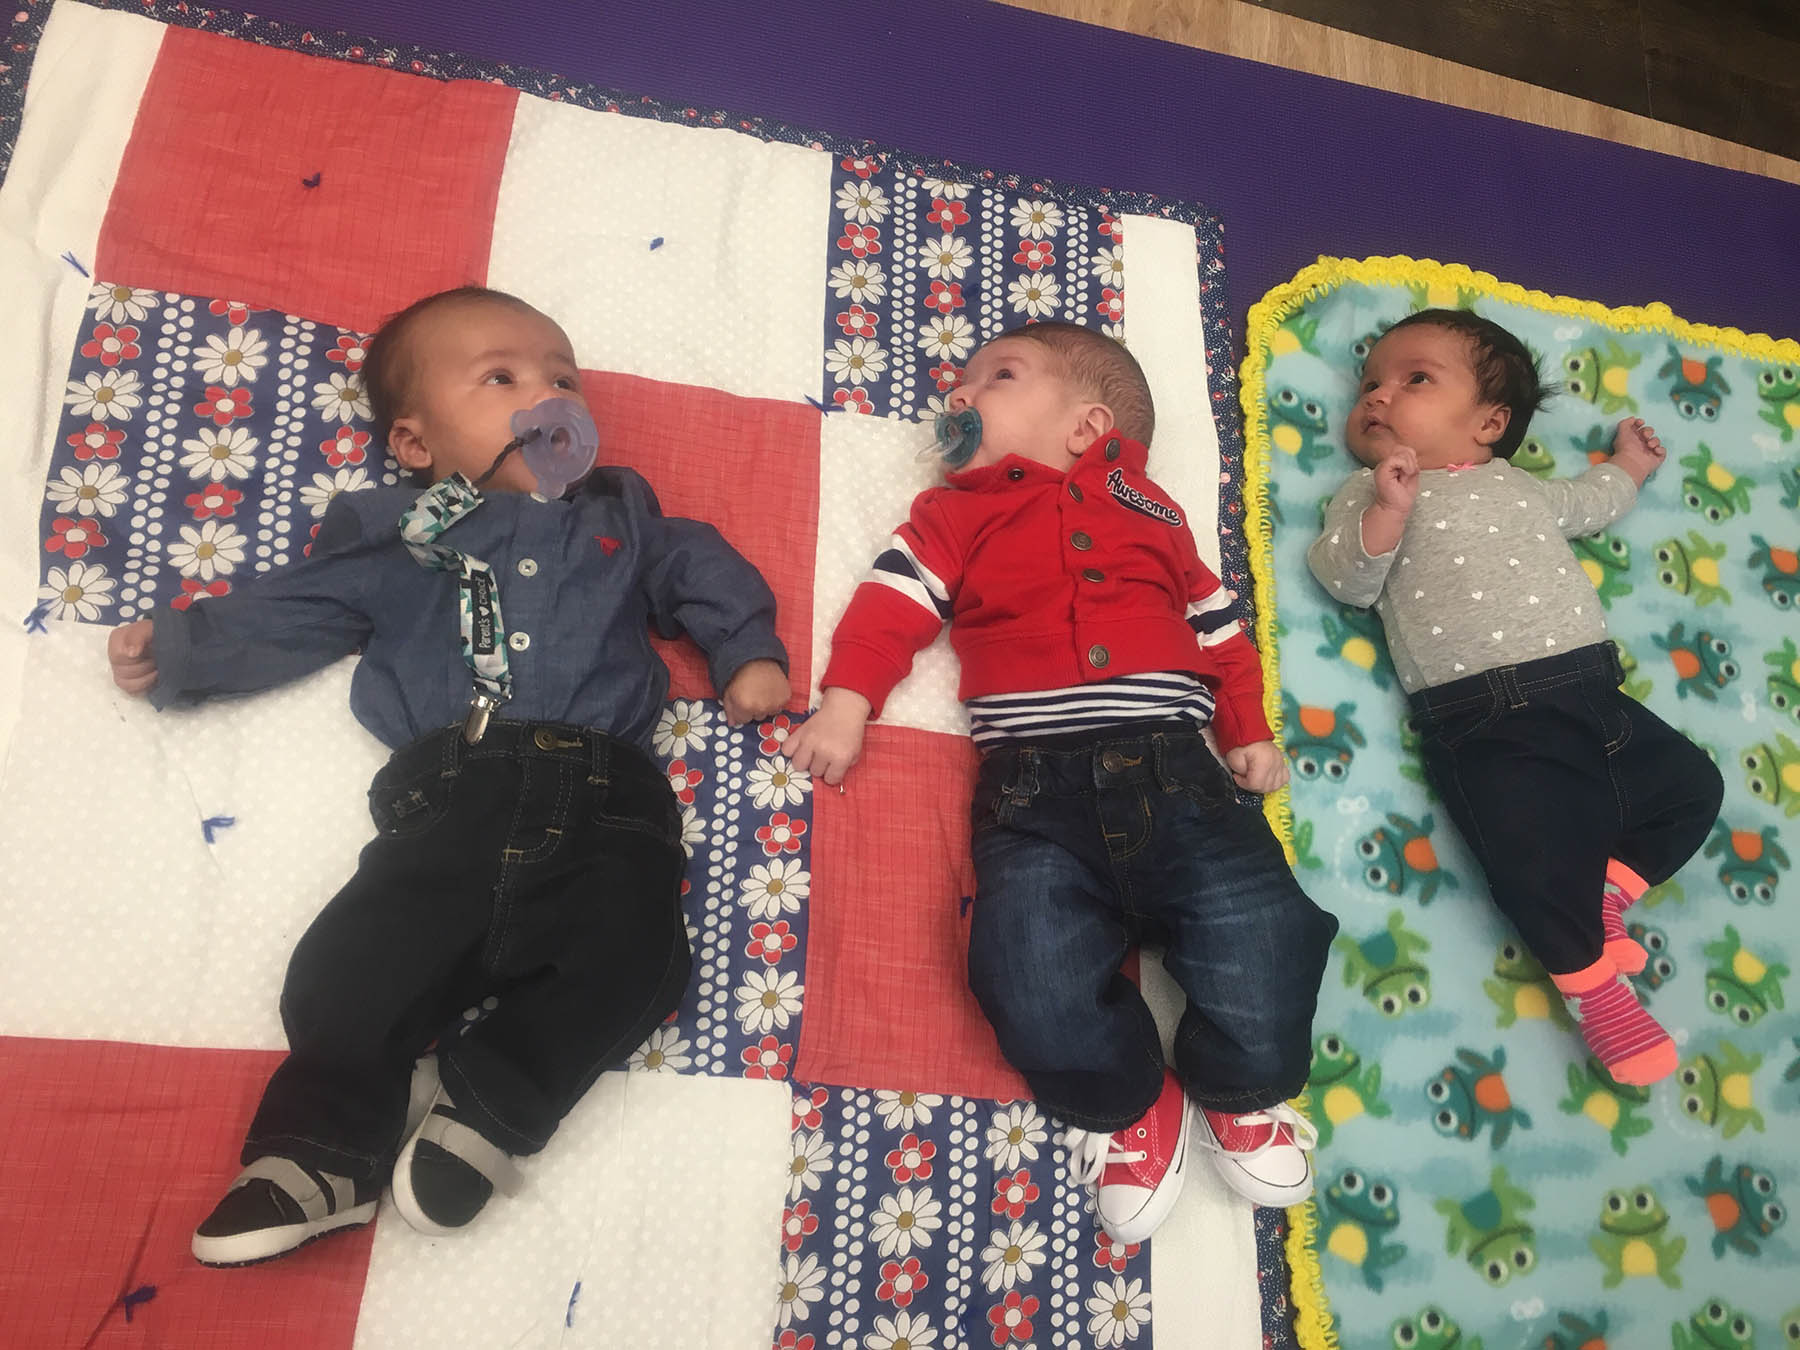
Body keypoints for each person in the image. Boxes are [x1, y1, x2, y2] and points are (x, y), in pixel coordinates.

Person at [108, 286, 791, 1266]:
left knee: (639, 964)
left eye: (564, 379)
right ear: (416, 444)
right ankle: (320, 1152)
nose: (545, 399)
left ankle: (493, 1107)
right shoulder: (404, 532)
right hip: (452, 794)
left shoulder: (621, 513)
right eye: (502, 379)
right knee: (350, 969)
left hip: (610, 799)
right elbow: (304, 605)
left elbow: (699, 565)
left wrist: (745, 649)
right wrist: (185, 647)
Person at [785, 320, 1336, 1241]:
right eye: (957, 385)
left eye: (994, 377)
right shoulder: (951, 514)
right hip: (1032, 798)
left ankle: (1242, 1082)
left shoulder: (1152, 509)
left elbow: (1220, 632)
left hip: (1178, 771)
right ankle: (1126, 1104)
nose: (959, 396)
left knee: (1268, 930)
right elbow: (892, 603)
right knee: (1023, 975)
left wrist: (1248, 728)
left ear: (1087, 427)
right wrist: (848, 699)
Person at [1307, 307, 1723, 1086]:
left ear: (1489, 424)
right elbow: (1345, 579)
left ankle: (1607, 891)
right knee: (1531, 862)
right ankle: (1599, 995)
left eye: (1414, 380)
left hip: (1595, 693)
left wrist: (1628, 466)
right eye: (1369, 383)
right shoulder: (1366, 491)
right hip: (1488, 716)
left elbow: (1590, 505)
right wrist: (1386, 514)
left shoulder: (1520, 489)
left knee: (1694, 786)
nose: (1377, 396)